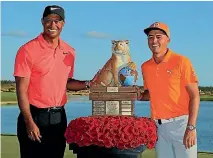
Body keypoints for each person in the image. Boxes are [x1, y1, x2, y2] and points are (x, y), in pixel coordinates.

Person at [13, 5, 97, 158]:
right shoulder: (27, 50)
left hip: (59, 118)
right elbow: (21, 90)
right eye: (48, 20)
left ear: (63, 23)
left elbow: (67, 82)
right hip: (35, 116)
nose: (52, 25)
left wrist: (89, 83)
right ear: (42, 22)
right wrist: (29, 122)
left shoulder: (69, 51)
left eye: (57, 21)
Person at [136, 22, 200, 158]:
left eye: (158, 36)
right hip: (159, 128)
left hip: (181, 125)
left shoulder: (182, 61)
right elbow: (150, 93)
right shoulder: (145, 67)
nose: (154, 41)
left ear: (168, 40)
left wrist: (191, 127)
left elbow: (195, 96)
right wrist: (140, 96)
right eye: (150, 37)